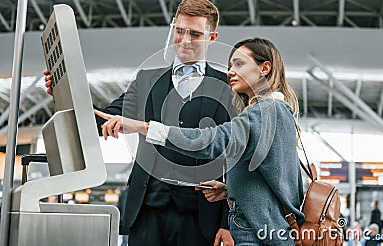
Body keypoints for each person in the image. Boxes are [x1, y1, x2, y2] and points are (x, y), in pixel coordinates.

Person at [44, 0, 234, 246]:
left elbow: (234, 155)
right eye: (180, 30)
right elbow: (104, 117)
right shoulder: (146, 81)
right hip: (147, 211)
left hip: (201, 217)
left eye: (195, 34)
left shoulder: (228, 88)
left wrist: (227, 223)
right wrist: (61, 95)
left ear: (212, 37)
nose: (185, 39)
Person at [95, 37, 306, 245]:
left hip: (257, 233)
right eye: (230, 65)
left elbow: (210, 141)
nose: (231, 71)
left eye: (239, 64)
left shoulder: (268, 111)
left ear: (265, 68)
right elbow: (273, 177)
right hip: (263, 228)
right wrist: (229, 190)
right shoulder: (271, 111)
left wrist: (144, 127)